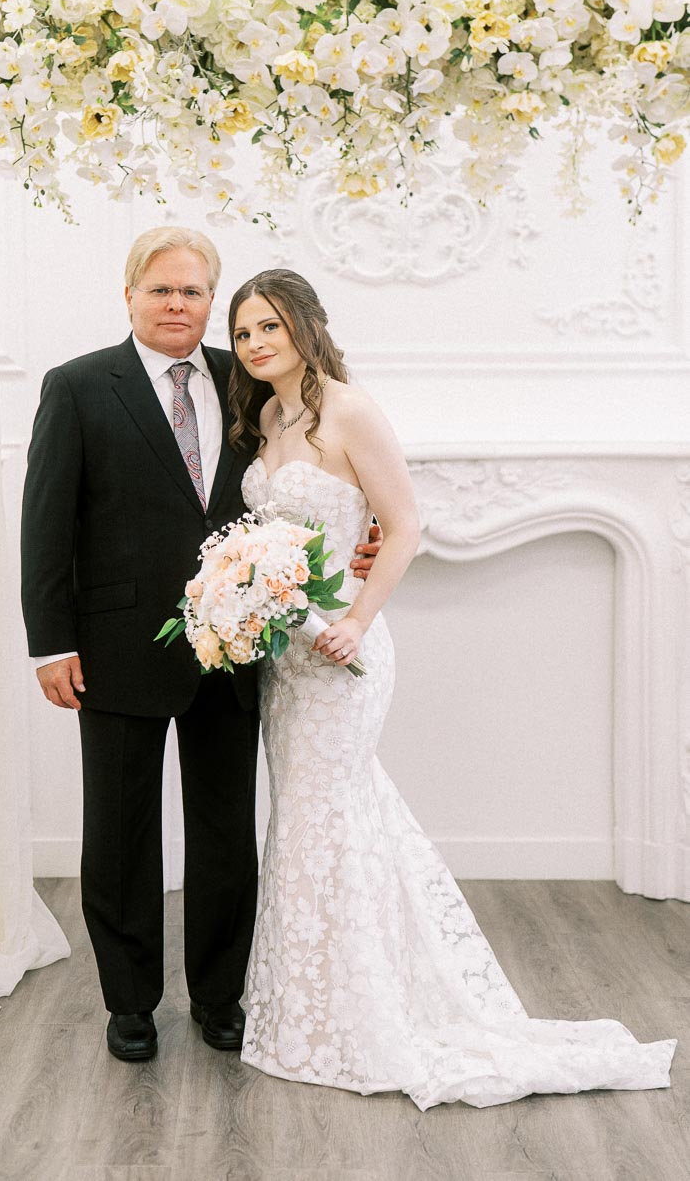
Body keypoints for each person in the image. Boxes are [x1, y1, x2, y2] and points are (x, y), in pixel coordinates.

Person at [229, 267, 677, 1110]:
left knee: (334, 814)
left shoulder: (349, 408)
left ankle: (369, 1013)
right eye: (245, 330)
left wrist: (355, 621)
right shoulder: (265, 415)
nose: (255, 343)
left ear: (306, 326)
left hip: (345, 653)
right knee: (309, 821)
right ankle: (312, 1006)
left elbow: (402, 524)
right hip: (287, 660)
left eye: (269, 327)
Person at [19, 229, 379, 1064]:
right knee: (118, 834)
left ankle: (222, 999)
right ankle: (131, 1003)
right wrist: (50, 644)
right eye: (161, 290)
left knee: (224, 831)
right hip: (113, 648)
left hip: (240, 643)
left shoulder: (246, 377)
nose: (177, 305)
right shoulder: (75, 387)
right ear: (130, 295)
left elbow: (319, 471)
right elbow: (47, 522)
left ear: (210, 299)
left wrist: (360, 541)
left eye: (192, 292)